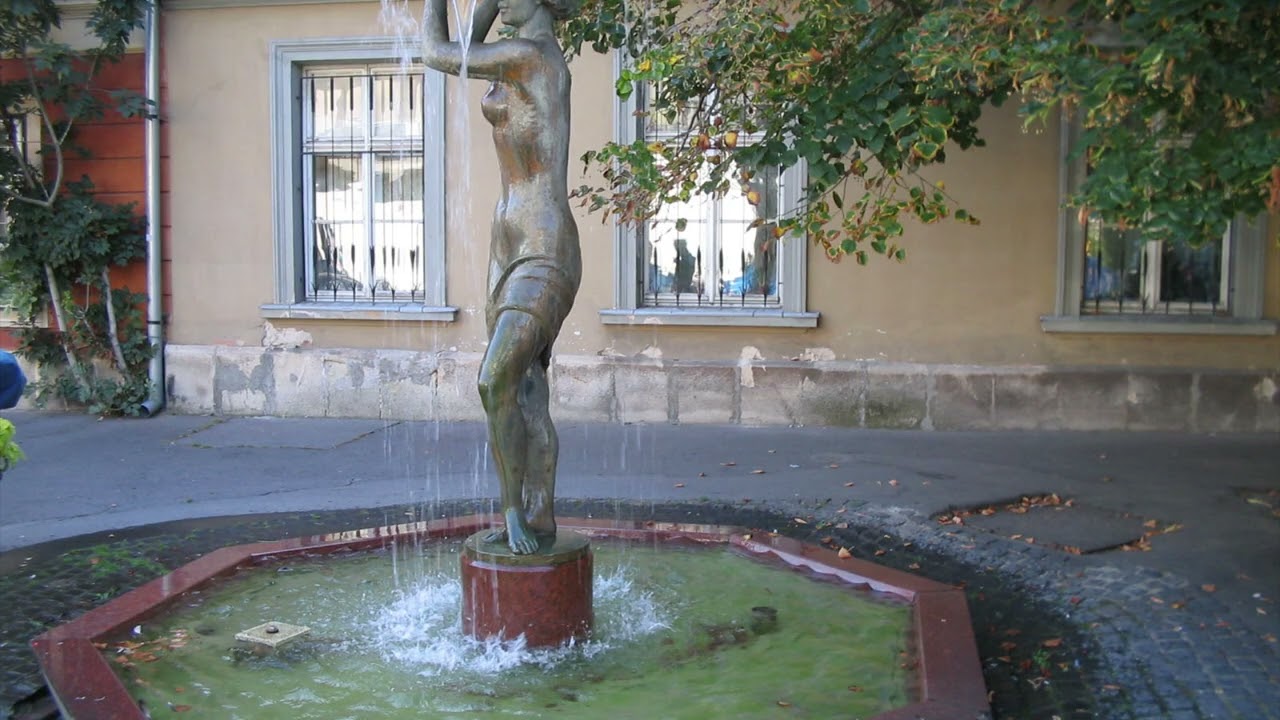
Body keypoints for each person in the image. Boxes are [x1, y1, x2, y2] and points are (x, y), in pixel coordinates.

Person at [422, 0, 582, 554]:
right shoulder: (514, 55)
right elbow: (467, 48)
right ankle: (539, 515)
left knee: (493, 382)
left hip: (544, 246)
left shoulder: (534, 58)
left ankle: (513, 509)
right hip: (505, 246)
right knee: (524, 390)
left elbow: (440, 53)